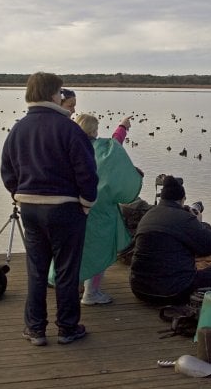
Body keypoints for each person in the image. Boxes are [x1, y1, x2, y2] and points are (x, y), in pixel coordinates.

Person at [0, 72, 98, 346]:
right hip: (66, 209)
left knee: (36, 270)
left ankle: (35, 329)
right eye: (59, 91)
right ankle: (67, 328)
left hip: (30, 208)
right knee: (67, 271)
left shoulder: (18, 128)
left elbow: (7, 170)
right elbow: (87, 173)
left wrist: (18, 195)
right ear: (52, 95)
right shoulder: (69, 129)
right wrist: (87, 204)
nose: (61, 95)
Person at [71, 114, 142, 305]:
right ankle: (91, 293)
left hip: (73, 208)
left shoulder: (68, 147)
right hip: (99, 209)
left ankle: (72, 288)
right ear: (94, 131)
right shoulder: (103, 150)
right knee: (99, 250)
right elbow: (116, 145)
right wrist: (123, 126)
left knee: (76, 249)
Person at [130, 175, 211, 306]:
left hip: (139, 289)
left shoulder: (148, 215)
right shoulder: (185, 219)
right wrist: (198, 221)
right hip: (172, 292)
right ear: (182, 199)